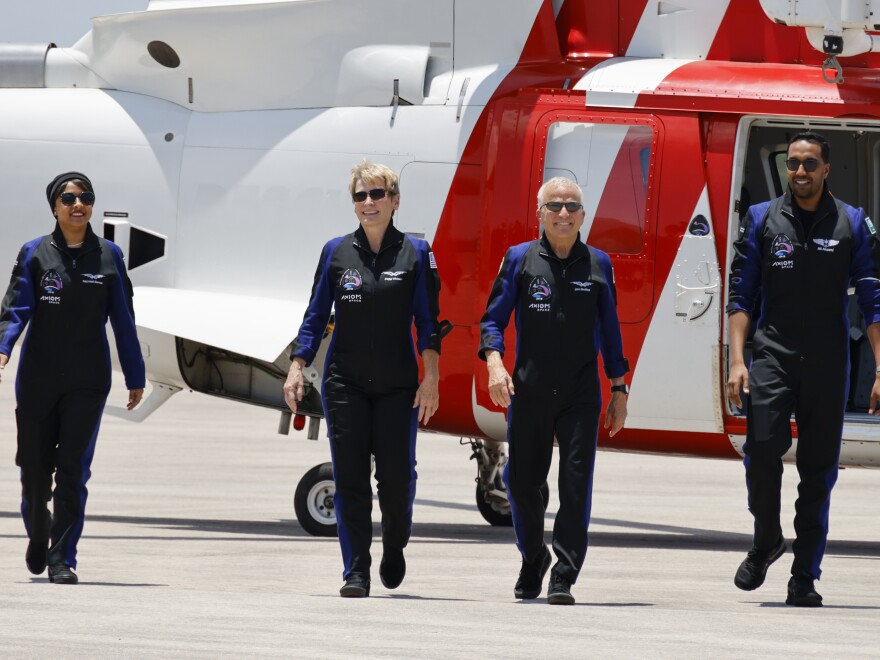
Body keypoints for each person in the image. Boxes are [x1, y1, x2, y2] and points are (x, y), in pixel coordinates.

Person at [727, 131, 880, 607]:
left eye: (809, 164)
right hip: (772, 355)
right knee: (762, 448)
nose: (799, 172)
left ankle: (804, 576)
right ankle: (767, 537)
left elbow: (874, 303)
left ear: (826, 169)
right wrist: (737, 359)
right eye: (793, 163)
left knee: (817, 472)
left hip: (828, 362)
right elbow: (740, 297)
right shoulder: (760, 219)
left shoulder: (853, 223)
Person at [283, 161, 442, 598]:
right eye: (360, 196)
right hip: (344, 383)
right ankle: (356, 569)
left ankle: (394, 543)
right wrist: (297, 366)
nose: (368, 203)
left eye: (376, 195)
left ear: (394, 200)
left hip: (397, 386)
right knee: (350, 477)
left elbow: (429, 321)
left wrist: (431, 378)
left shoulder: (417, 253)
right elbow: (315, 317)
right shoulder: (336, 252)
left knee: (397, 478)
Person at [479, 176, 629, 605]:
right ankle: (533, 557)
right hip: (529, 389)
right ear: (540, 213)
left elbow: (612, 331)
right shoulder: (520, 260)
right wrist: (494, 363)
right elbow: (493, 320)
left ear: (583, 215)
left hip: (581, 392)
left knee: (576, 483)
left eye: (571, 206)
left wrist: (619, 387)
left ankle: (564, 573)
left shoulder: (599, 264)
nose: (563, 214)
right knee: (523, 483)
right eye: (555, 206)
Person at [0, 172, 145, 585]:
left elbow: (123, 318)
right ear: (55, 207)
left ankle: (63, 557)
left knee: (72, 470)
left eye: (85, 197)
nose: (77, 204)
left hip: (88, 379)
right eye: (68, 198)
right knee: (33, 469)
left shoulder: (109, 255)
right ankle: (38, 527)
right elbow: (16, 309)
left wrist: (135, 374)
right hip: (39, 379)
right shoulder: (34, 252)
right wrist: (3, 348)